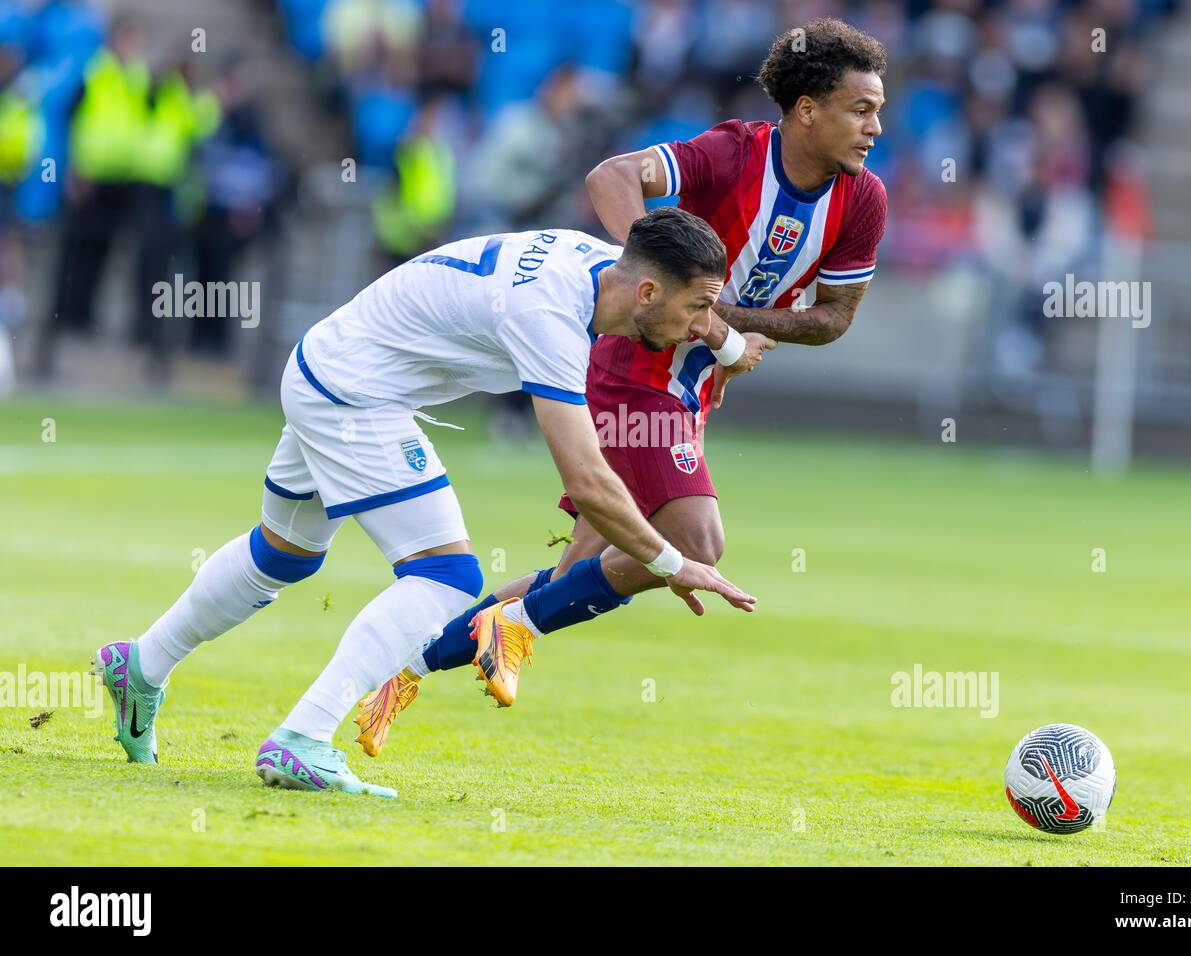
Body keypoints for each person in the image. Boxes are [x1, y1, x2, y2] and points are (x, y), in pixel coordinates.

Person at [355, 17, 889, 755]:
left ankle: (398, 672)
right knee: (696, 537)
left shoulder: (862, 201)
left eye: (880, 111)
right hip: (637, 366)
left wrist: (726, 328)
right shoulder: (733, 154)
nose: (875, 127)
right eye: (861, 109)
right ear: (808, 110)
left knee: (577, 570)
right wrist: (674, 295)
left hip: (691, 385)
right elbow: (609, 177)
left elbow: (833, 318)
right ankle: (507, 632)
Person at [92, 207, 756, 798]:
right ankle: (302, 739)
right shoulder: (551, 319)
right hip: (354, 397)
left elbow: (687, 324)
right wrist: (672, 563)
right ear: (646, 291)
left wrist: (728, 345)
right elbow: (587, 481)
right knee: (446, 576)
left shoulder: (596, 262)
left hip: (325, 363)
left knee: (284, 554)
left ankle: (142, 664)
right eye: (699, 308)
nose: (702, 324)